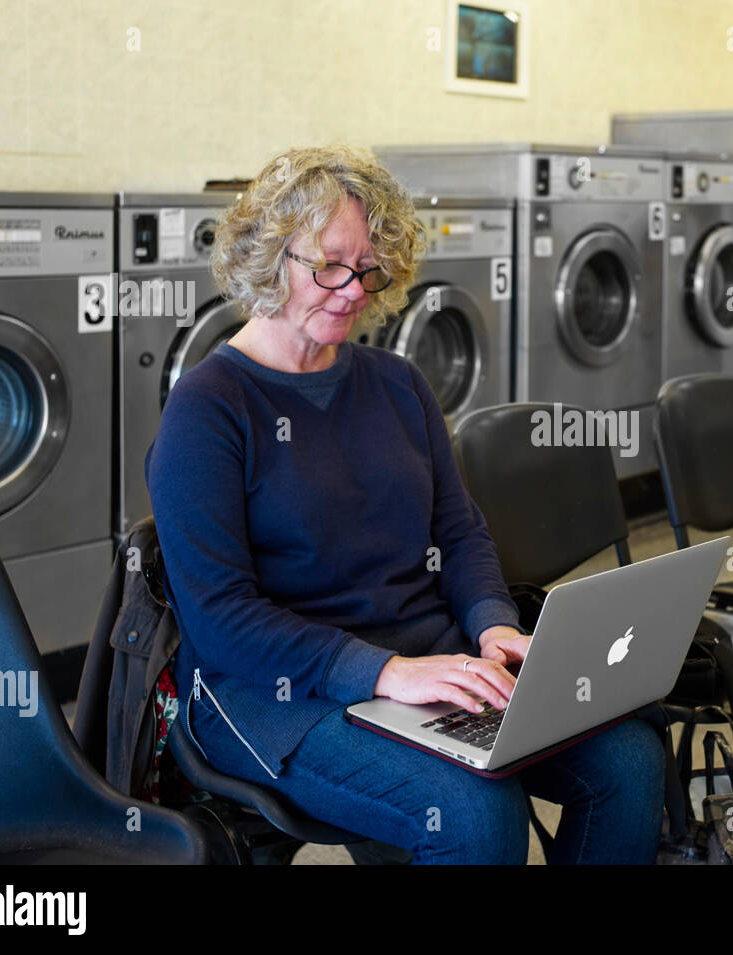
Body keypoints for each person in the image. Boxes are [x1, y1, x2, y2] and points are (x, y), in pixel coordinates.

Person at [146, 145, 665, 864]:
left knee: (629, 762)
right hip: (273, 696)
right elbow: (221, 618)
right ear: (269, 255)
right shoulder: (209, 408)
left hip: (426, 662)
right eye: (329, 264)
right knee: (475, 810)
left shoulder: (397, 383)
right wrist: (385, 673)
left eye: (369, 268)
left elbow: (458, 532)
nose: (353, 290)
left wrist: (493, 628)